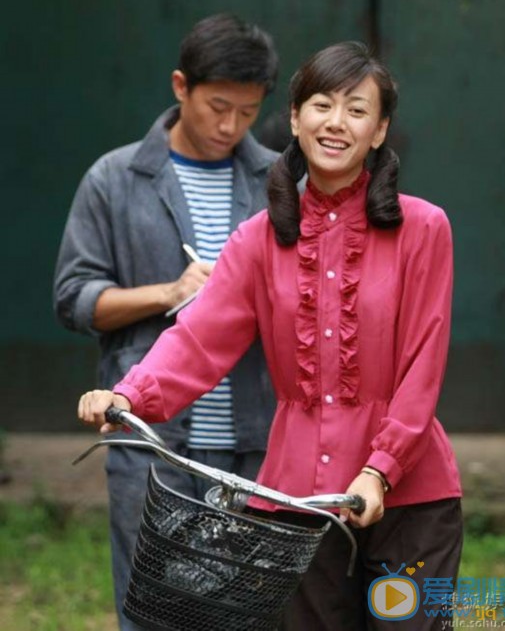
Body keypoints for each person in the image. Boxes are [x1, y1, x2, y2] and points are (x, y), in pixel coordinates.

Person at [78, 41, 463, 630]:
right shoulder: (257, 239)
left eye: (357, 110)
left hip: (413, 499)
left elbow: (424, 363)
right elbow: (200, 338)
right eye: (321, 105)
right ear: (293, 119)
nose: (336, 123)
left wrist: (380, 468)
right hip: (294, 500)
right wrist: (129, 394)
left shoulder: (424, 228)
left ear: (380, 131)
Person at [54, 13, 279, 630]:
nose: (230, 126)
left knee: (251, 612)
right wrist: (170, 292)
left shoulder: (277, 182)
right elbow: (74, 297)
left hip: (255, 437)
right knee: (153, 610)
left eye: (248, 111)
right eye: (216, 106)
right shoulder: (115, 178)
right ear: (181, 86)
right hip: (151, 436)